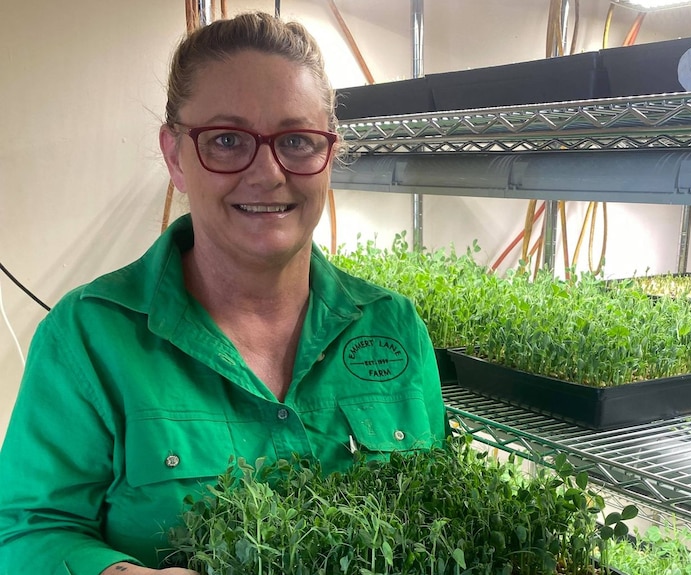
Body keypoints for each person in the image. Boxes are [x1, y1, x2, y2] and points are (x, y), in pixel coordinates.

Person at [0, 11, 447, 575]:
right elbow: (24, 531)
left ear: (330, 154)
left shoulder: (393, 326)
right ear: (174, 156)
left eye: (298, 141)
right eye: (228, 140)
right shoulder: (88, 339)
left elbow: (439, 516)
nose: (267, 172)